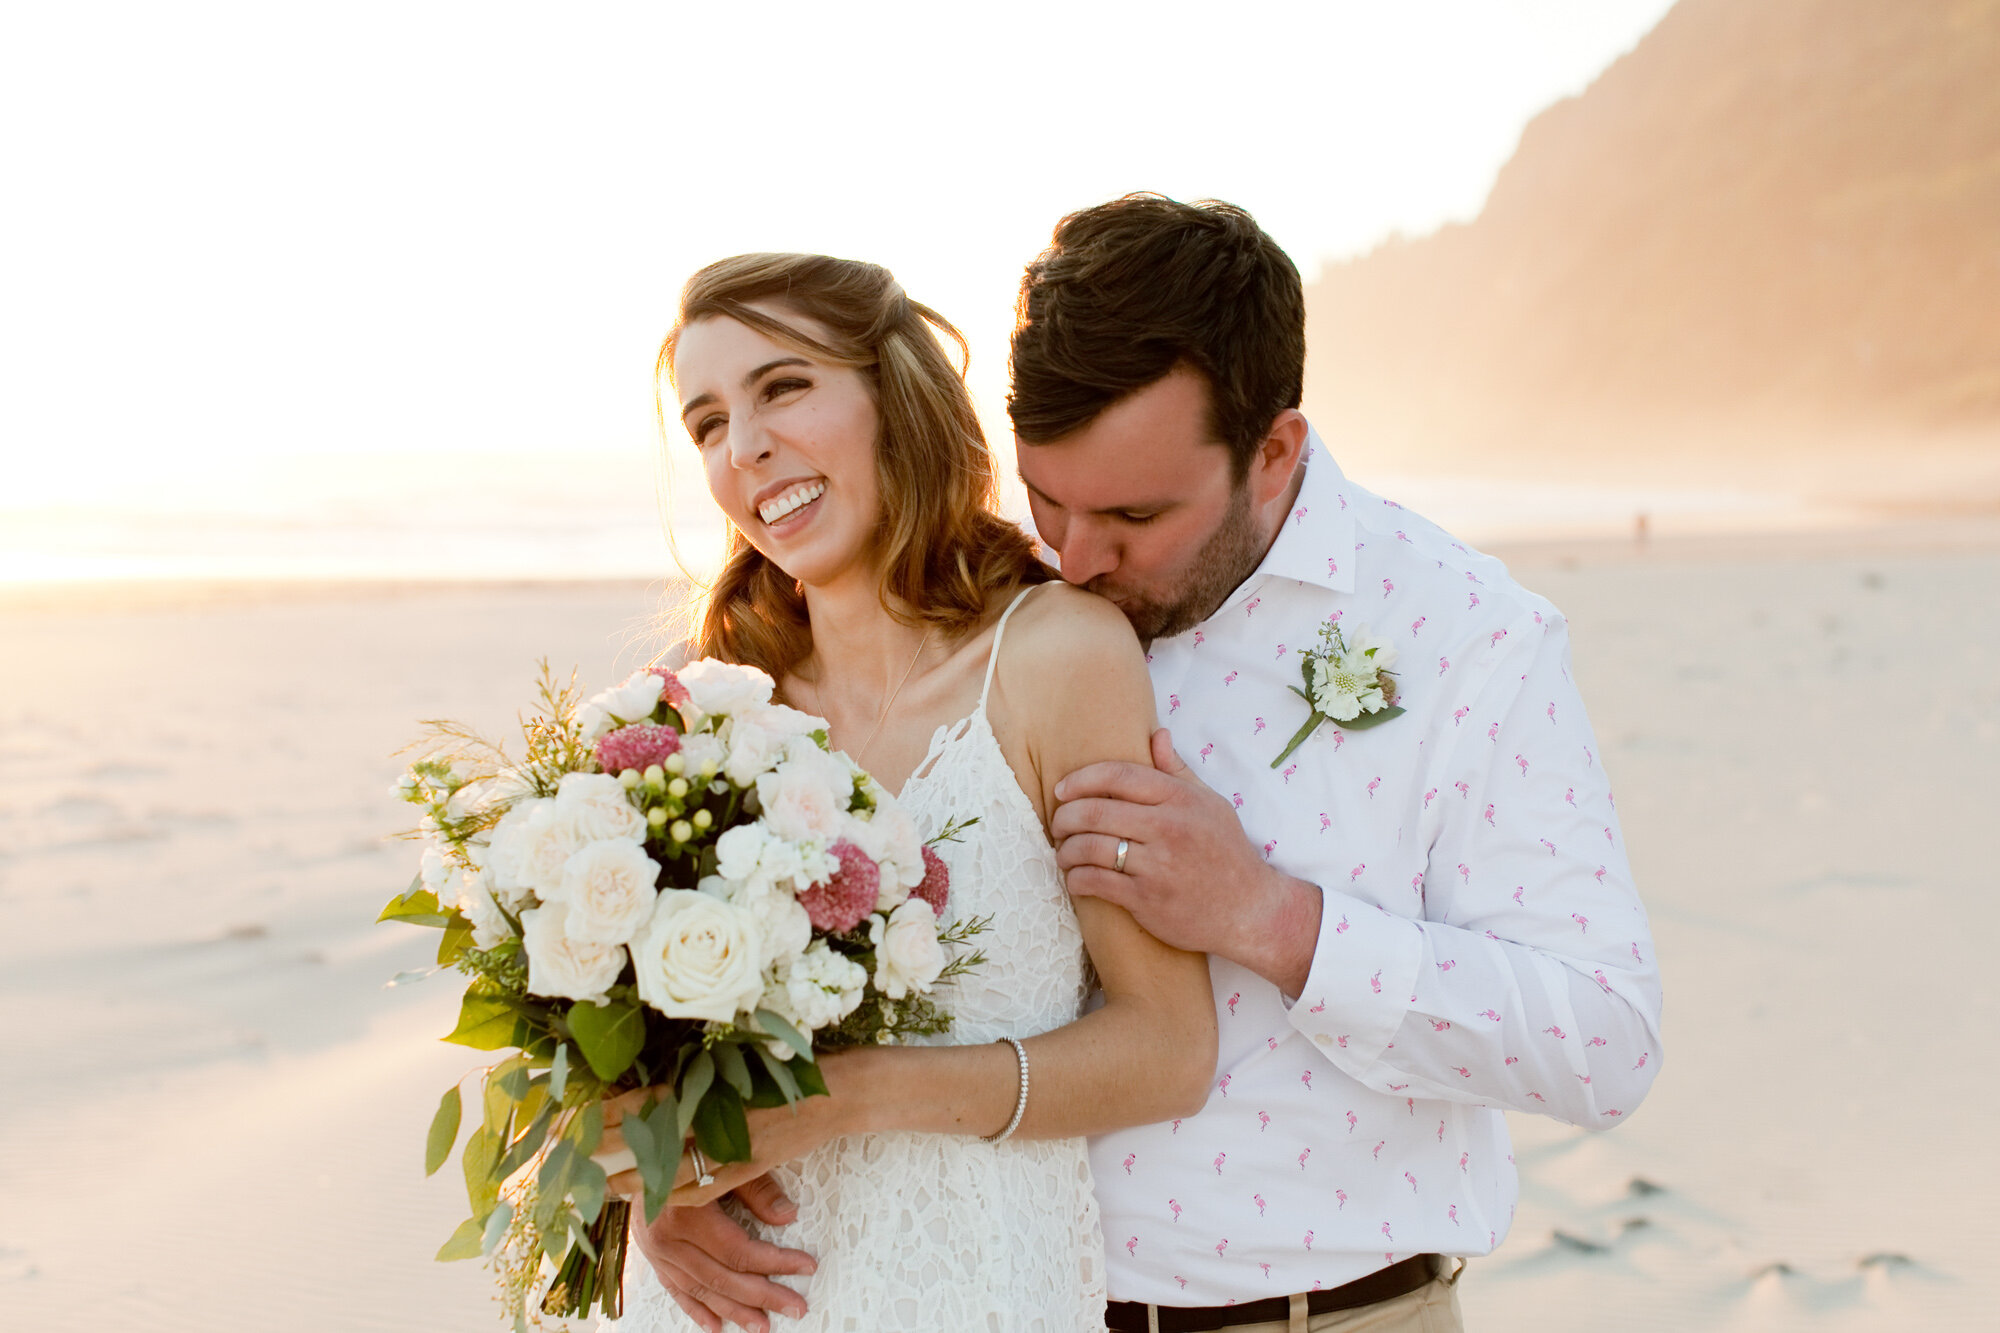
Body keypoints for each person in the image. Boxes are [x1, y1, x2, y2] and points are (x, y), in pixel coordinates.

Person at [645, 198, 1665, 1333]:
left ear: (1271, 452)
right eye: (1046, 499)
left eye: (1132, 513)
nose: (1071, 558)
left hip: (1318, 1312)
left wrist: (1277, 919)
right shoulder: (982, 600)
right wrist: (665, 1181)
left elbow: (1605, 1038)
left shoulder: (1462, 635)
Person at [596, 252, 1217, 1333]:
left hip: (967, 1290)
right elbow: (602, 1076)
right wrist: (648, 1188)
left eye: (782, 387)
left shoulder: (1055, 657)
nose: (742, 447)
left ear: (893, 394)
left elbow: (1169, 1048)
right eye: (704, 423)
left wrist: (851, 1097)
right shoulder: (707, 720)